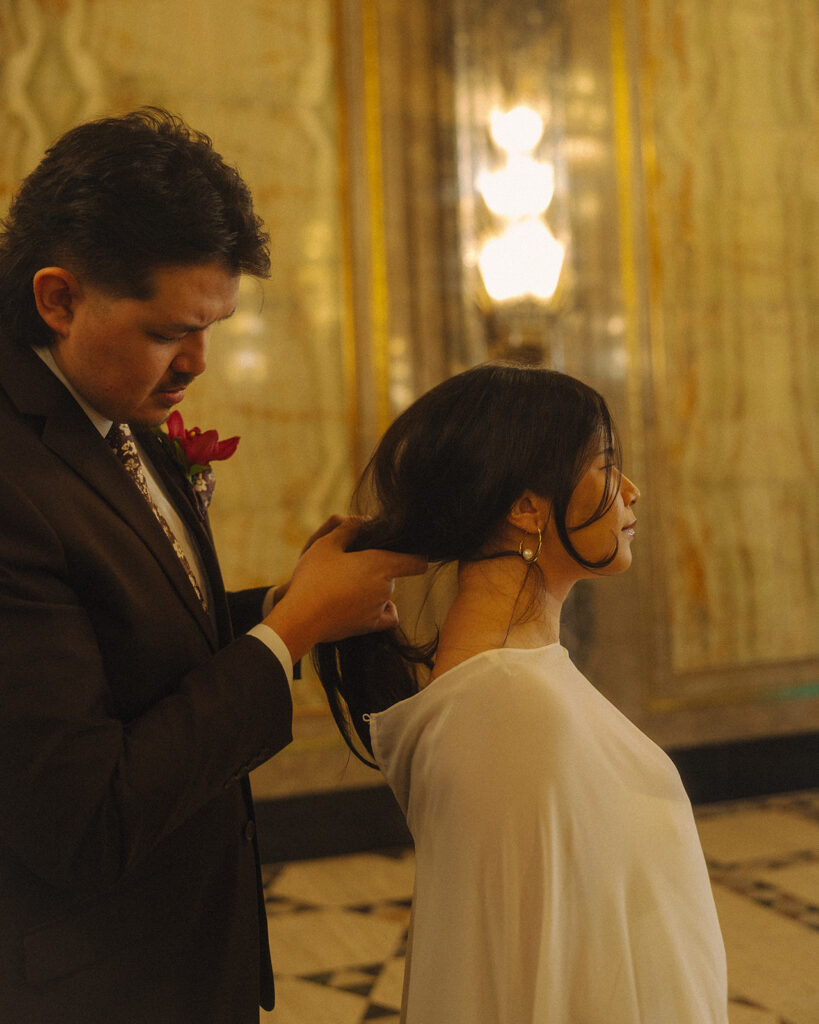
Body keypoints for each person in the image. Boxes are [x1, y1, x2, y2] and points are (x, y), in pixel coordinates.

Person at [0, 107, 425, 1024]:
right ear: (58, 299)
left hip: (184, 952)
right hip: (90, 987)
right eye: (167, 332)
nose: (196, 363)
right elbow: (85, 817)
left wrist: (283, 601)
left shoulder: (111, 407)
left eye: (213, 327)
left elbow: (127, 641)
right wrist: (290, 634)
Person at [315, 363, 729, 1023]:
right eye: (605, 465)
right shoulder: (508, 706)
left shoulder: (517, 685)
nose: (631, 490)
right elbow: (518, 975)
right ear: (527, 507)